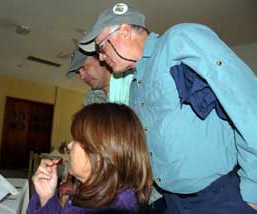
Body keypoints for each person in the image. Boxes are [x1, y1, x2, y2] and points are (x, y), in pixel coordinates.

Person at [78, 2, 257, 213]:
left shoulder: (177, 42)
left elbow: (245, 102)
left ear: (124, 31)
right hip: (173, 202)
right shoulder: (136, 86)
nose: (100, 56)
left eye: (101, 46)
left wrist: (253, 187)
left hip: (219, 197)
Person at [0, 103, 152, 213]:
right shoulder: (104, 194)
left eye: (77, 139)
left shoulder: (111, 210)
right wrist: (47, 197)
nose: (69, 145)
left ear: (101, 152)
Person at [67, 48, 133, 105]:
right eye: (78, 72)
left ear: (101, 58)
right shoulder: (91, 99)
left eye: (84, 67)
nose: (82, 77)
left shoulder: (132, 83)